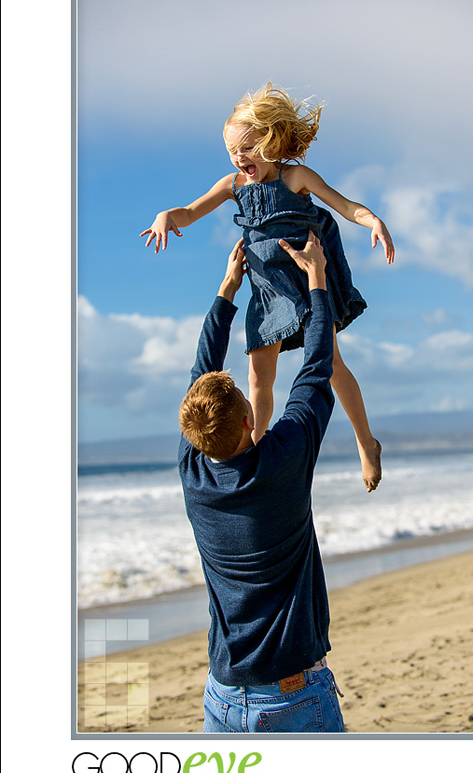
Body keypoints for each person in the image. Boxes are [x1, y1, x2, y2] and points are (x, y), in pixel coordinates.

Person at [141, 82, 395, 492]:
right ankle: (255, 450)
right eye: (231, 152)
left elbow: (344, 206)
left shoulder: (296, 177)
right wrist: (165, 215)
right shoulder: (233, 186)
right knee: (258, 377)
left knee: (330, 365)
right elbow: (190, 211)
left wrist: (373, 221)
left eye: (247, 148)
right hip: (264, 292)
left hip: (305, 280)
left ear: (271, 139)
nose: (239, 158)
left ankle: (366, 443)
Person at [178, 232, 345, 733]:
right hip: (292, 697)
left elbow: (200, 376)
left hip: (222, 696)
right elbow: (316, 369)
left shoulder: (194, 472)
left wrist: (228, 290)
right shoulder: (286, 457)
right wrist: (318, 279)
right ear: (250, 417)